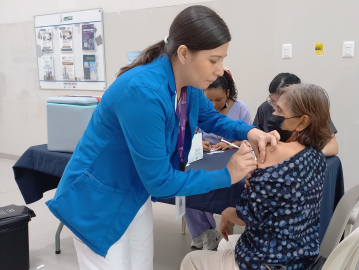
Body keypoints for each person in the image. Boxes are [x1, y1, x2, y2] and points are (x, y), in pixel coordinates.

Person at [45, 6, 278, 270]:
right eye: (214, 60)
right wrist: (228, 174)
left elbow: (212, 118)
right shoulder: (144, 92)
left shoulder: (188, 85)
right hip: (97, 199)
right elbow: (159, 181)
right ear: (183, 53)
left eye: (222, 60)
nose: (221, 70)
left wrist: (250, 131)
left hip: (134, 191)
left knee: (141, 263)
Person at [181, 83, 332, 270]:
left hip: (268, 261)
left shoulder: (269, 155)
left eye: (279, 110)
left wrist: (228, 213)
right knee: (224, 245)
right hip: (304, 254)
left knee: (190, 260)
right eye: (273, 106)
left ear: (302, 122)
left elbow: (245, 216)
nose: (273, 114)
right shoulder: (317, 156)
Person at [187, 69, 253, 250]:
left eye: (219, 100)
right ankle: (203, 232)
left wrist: (233, 144)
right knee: (192, 185)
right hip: (205, 157)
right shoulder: (198, 108)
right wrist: (199, 142)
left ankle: (217, 228)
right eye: (209, 101)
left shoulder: (241, 108)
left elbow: (247, 137)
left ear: (228, 93)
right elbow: (189, 133)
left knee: (227, 185)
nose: (214, 105)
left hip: (230, 157)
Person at [254, 73, 339, 156]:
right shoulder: (264, 108)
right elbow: (253, 138)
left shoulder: (314, 112)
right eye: (272, 101)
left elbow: (333, 147)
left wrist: (300, 154)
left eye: (280, 108)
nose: (274, 109)